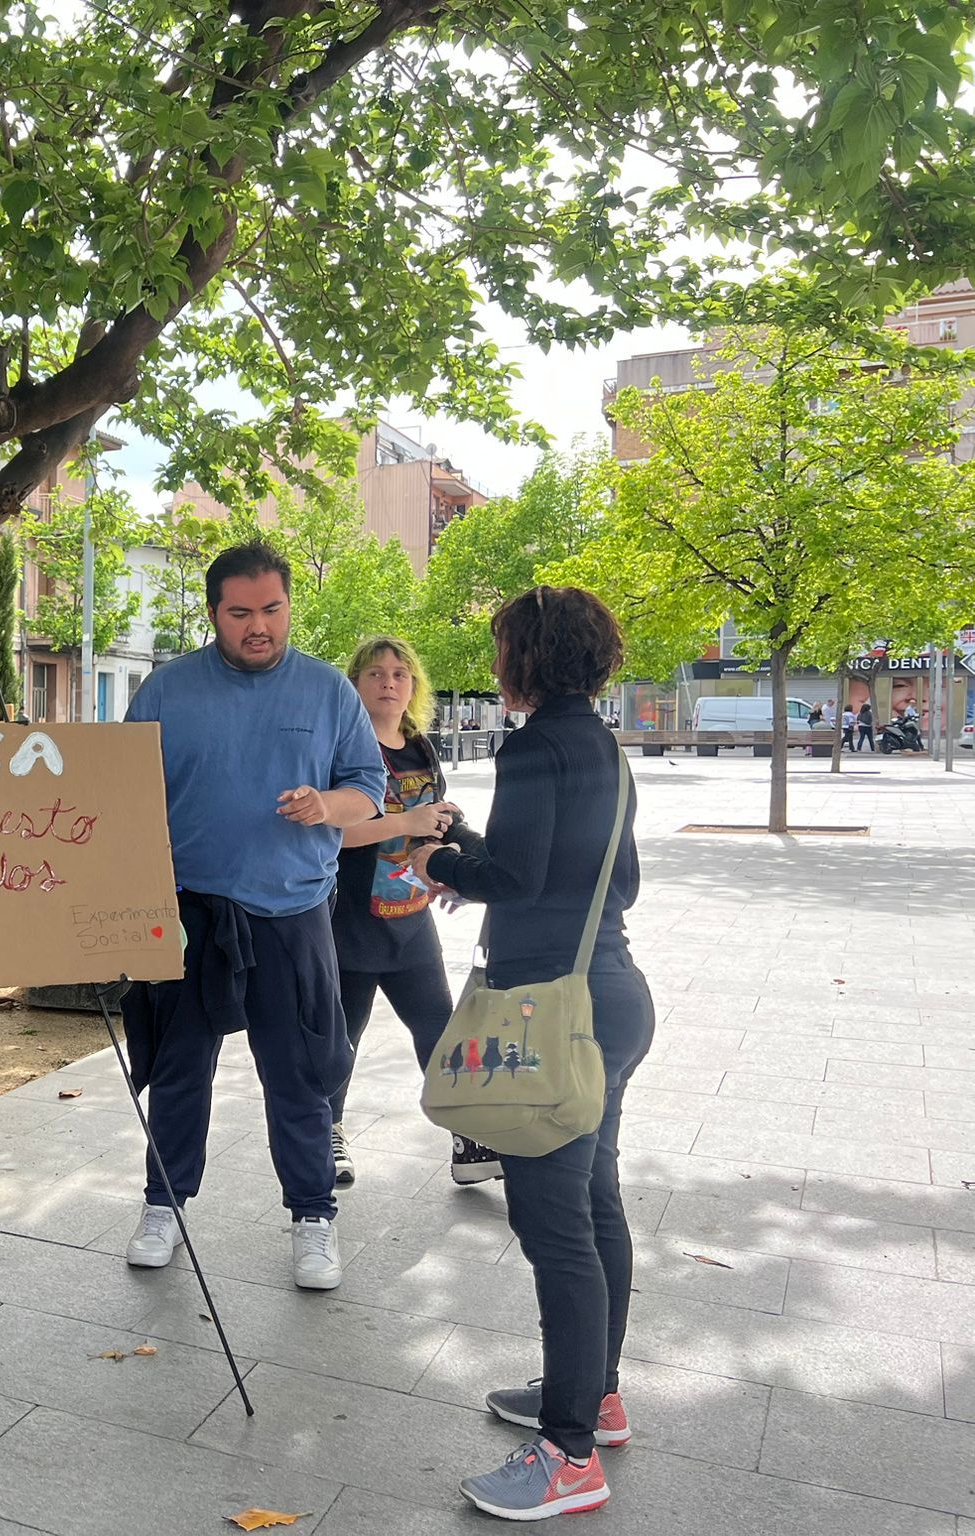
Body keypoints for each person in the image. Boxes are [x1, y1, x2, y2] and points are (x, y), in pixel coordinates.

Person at [409, 586, 653, 1523]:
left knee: (559, 1231)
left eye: (506, 644)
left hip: (554, 1013)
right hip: (613, 999)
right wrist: (468, 839)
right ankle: (594, 1397)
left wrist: (442, 865)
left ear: (531, 655)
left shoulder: (534, 745)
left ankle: (568, 1454)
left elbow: (515, 877)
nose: (498, 657)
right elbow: (588, 870)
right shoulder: (598, 744)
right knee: (596, 1206)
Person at [119, 542, 385, 1291]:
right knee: (177, 1070)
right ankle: (162, 1204)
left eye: (272, 609)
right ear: (214, 614)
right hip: (189, 913)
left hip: (292, 912)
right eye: (240, 613)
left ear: (289, 606)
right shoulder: (168, 690)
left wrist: (327, 806)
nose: (258, 626)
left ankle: (313, 1216)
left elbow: (368, 785)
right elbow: (124, 792)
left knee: (298, 1076)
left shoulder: (329, 691)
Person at [327, 637, 499, 1188]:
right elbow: (336, 833)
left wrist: (463, 869)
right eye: (375, 673)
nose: (389, 683)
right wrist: (406, 823)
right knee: (340, 1041)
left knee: (439, 1030)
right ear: (354, 685)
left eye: (400, 674)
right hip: (348, 921)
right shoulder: (342, 750)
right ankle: (327, 1133)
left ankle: (468, 1136)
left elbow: (441, 818)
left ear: (414, 686)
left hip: (409, 919)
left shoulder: (421, 748)